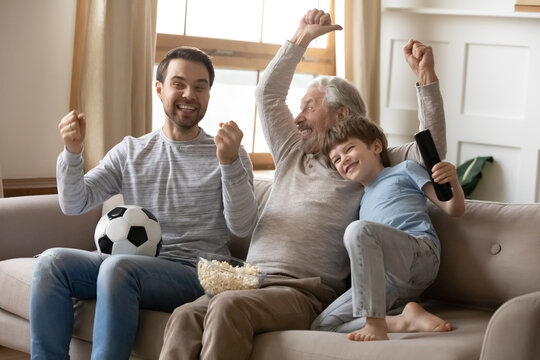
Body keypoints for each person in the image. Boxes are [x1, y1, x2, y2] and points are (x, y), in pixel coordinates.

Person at [159, 9, 448, 360]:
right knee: (185, 314)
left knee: (227, 309)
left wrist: (426, 78)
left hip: (303, 293)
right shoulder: (293, 152)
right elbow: (267, 96)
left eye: (309, 107)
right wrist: (301, 38)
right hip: (251, 281)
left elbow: (432, 151)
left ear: (342, 115)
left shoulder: (367, 164)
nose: (297, 118)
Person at [29, 47, 258, 360]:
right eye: (179, 84)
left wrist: (230, 163)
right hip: (131, 263)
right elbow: (74, 203)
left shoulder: (228, 153)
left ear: (208, 94)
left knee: (117, 268)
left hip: (194, 271)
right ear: (159, 88)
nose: (190, 94)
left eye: (200, 86)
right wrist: (72, 153)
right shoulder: (131, 151)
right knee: (51, 262)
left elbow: (243, 225)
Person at [311, 114, 464, 341]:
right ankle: (404, 321)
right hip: (388, 281)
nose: (343, 159)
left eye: (349, 149)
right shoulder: (361, 200)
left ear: (376, 146)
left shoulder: (404, 170)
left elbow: (453, 209)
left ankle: (374, 324)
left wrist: (454, 182)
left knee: (358, 230)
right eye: (336, 159)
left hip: (420, 255)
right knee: (322, 325)